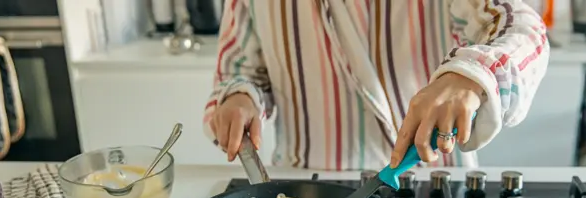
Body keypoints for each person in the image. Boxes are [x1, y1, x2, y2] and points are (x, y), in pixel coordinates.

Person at [203, 0, 549, 170]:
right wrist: (239, 97)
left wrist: (470, 74)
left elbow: (521, 26)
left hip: (432, 181)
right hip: (304, 186)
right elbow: (241, 68)